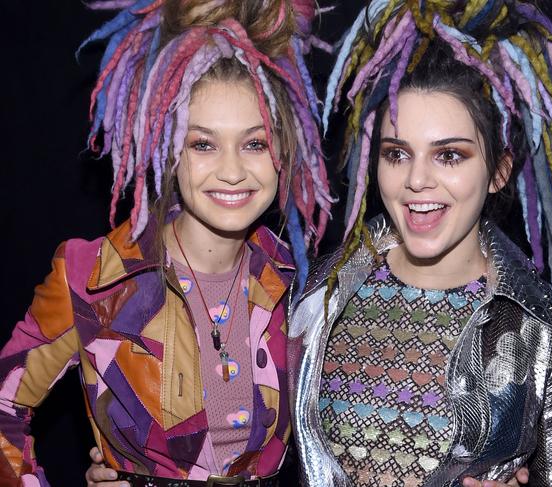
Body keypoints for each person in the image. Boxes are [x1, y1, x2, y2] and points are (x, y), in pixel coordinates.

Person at [287, 1, 552, 486]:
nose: (417, 180)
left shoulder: (544, 323)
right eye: (396, 153)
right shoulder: (317, 290)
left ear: (498, 171)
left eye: (449, 155)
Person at [0, 0, 332, 485]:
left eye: (255, 143)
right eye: (203, 144)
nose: (233, 170)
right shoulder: (95, 277)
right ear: (168, 148)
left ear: (283, 148)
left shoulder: (299, 283)